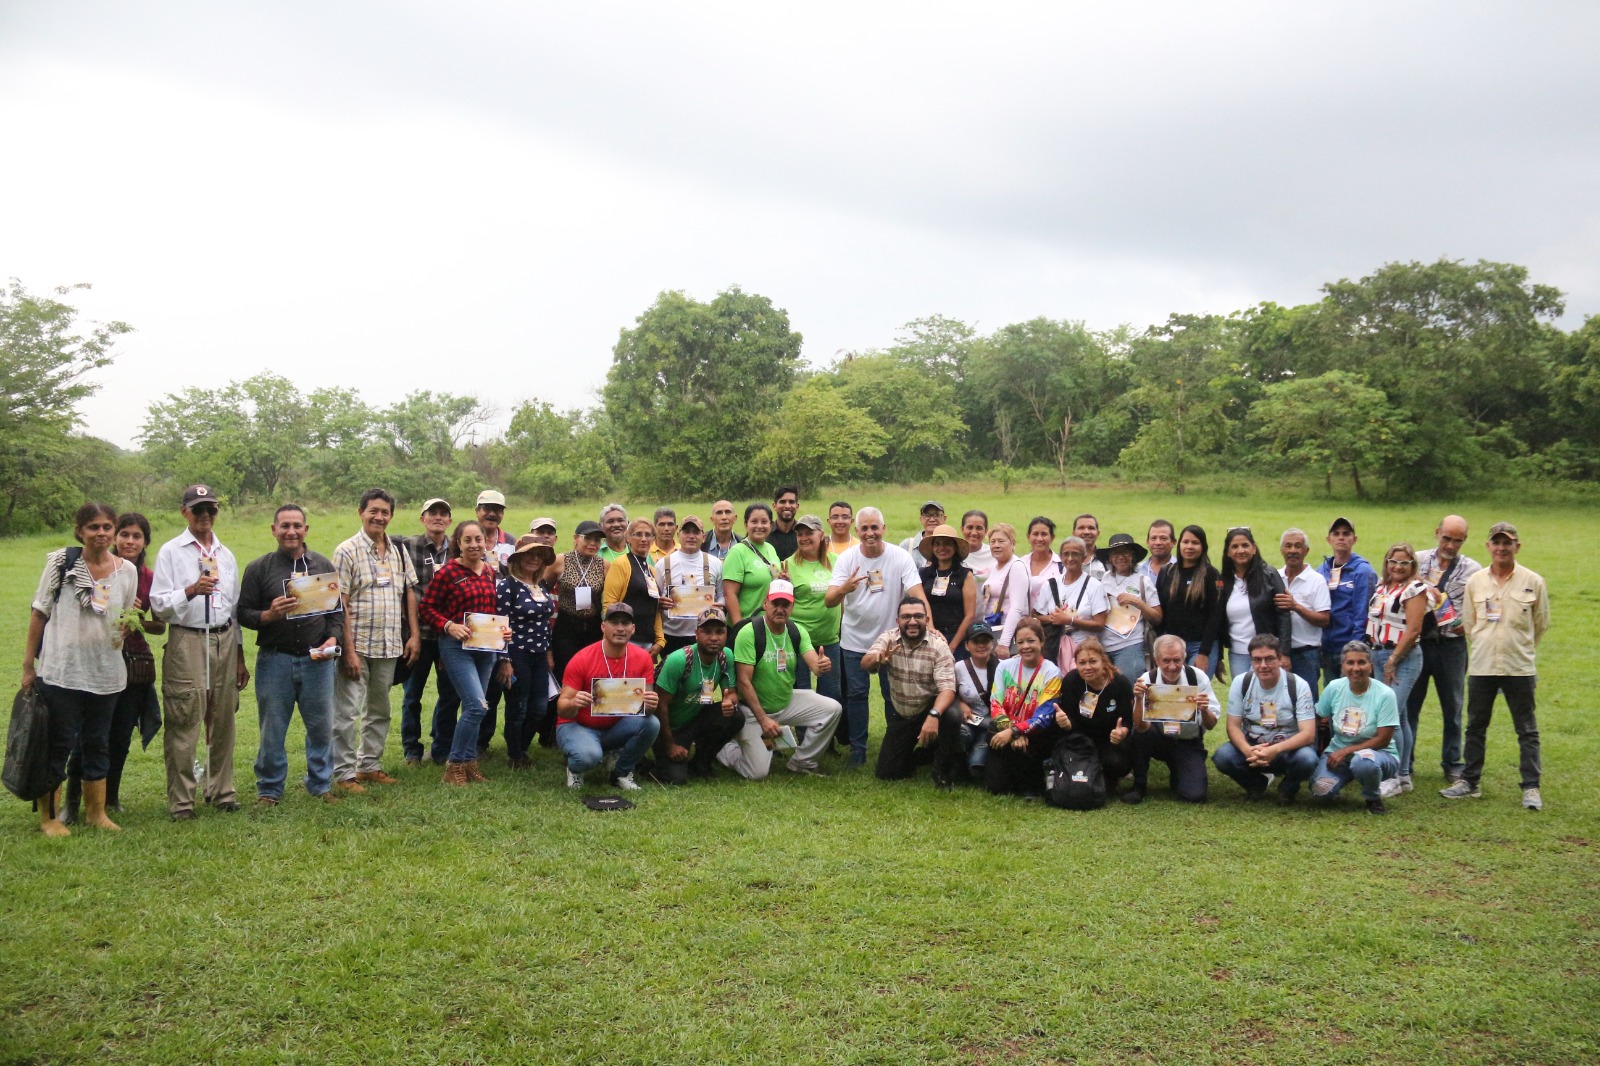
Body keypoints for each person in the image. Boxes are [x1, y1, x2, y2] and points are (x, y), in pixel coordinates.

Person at [21, 502, 139, 836]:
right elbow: (39, 612)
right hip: (62, 672)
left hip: (106, 673)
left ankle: (96, 813)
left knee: (98, 743)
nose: (100, 534)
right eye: (93, 527)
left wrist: (127, 627)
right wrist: (29, 665)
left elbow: (125, 615)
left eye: (106, 527)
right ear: (80, 531)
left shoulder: (125, 571)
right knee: (58, 744)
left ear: (113, 531)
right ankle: (49, 818)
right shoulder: (62, 564)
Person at [150, 484, 250, 820]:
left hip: (223, 637)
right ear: (185, 512)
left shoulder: (225, 554)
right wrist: (191, 590)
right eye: (198, 510)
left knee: (223, 718)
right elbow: (159, 605)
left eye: (211, 509)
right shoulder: (171, 551)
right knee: (185, 717)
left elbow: (233, 610)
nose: (205, 515)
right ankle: (182, 801)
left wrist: (239, 656)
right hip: (187, 639)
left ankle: (222, 791)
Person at [61, 512, 165, 824]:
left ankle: (109, 799)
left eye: (137, 536)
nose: (130, 541)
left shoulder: (146, 577)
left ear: (145, 541)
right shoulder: (95, 569)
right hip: (93, 660)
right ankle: (71, 802)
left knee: (119, 736)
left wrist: (137, 619)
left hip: (133, 664)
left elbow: (159, 627)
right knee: (87, 735)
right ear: (114, 537)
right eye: (125, 534)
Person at [237, 505, 342, 808]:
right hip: (275, 659)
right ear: (274, 530)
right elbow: (243, 612)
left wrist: (333, 638)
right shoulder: (260, 568)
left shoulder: (321, 565)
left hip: (316, 661)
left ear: (306, 529)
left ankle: (320, 784)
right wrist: (268, 615)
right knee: (272, 727)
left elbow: (336, 612)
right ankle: (269, 790)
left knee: (321, 726)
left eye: (297, 525)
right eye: (284, 526)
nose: (291, 531)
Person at [1442, 522, 1550, 810]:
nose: (1502, 548)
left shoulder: (1533, 581)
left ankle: (1531, 787)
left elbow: (1540, 625)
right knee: (1476, 726)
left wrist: (1521, 647)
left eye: (1508, 543)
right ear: (1488, 546)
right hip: (1482, 665)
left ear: (1517, 546)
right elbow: (1470, 621)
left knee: (1527, 729)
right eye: (1496, 542)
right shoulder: (1476, 581)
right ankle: (1469, 781)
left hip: (1519, 667)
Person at [331, 488, 420, 792]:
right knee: (347, 711)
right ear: (361, 512)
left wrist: (414, 635)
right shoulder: (346, 551)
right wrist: (349, 650)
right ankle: (343, 773)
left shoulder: (397, 550)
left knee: (380, 709)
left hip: (389, 643)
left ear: (391, 516)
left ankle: (369, 765)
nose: (379, 517)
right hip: (357, 643)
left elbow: (409, 591)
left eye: (385, 512)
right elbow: (339, 602)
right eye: (373, 511)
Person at [826, 507, 929, 767]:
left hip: (891, 642)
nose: (870, 533)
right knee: (857, 696)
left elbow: (917, 595)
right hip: (854, 641)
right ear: (857, 531)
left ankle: (894, 746)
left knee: (891, 695)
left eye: (875, 527)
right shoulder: (847, 559)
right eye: (864, 528)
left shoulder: (900, 557)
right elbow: (829, 601)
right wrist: (844, 589)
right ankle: (858, 751)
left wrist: (931, 626)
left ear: (884, 529)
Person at [418, 520, 510, 786]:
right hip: (456, 647)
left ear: (485, 542)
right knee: (475, 705)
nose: (474, 545)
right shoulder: (447, 572)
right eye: (467, 540)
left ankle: (469, 763)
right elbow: (427, 608)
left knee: (479, 706)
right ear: (458, 543)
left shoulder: (491, 572)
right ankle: (454, 764)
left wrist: (503, 633)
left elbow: (493, 611)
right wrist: (448, 625)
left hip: (486, 648)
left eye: (478, 539)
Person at [720, 580, 842, 779]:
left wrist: (820, 666)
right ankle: (725, 747)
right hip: (753, 711)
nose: (780, 609)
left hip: (785, 703)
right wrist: (763, 719)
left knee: (832, 709)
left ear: (792, 607)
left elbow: (814, 663)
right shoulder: (749, 632)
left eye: (785, 604)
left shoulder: (796, 631)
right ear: (765, 604)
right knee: (757, 773)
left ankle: (803, 762)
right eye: (775, 603)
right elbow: (743, 682)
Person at [555, 603, 660, 790]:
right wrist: (574, 702)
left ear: (633, 629)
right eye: (614, 622)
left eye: (626, 623)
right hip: (579, 725)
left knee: (651, 723)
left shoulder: (643, 658)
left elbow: (647, 709)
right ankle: (575, 768)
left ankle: (621, 772)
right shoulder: (582, 658)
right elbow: (562, 708)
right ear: (603, 626)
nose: (620, 628)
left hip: (616, 727)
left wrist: (651, 703)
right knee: (589, 757)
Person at [1409, 515, 1481, 785]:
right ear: (1437, 532)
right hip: (1417, 645)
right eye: (1447, 538)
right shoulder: (1416, 560)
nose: (1451, 545)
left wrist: (1464, 625)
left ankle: (1452, 763)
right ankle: (1406, 760)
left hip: (1451, 646)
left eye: (1458, 540)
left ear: (1465, 540)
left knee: (1453, 707)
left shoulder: (1472, 570)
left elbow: (1475, 611)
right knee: (1410, 705)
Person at [862, 595, 960, 789]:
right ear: (898, 621)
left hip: (929, 708)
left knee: (952, 715)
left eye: (918, 616)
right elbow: (865, 662)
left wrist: (933, 715)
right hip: (903, 713)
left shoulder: (939, 647)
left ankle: (942, 770)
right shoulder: (889, 638)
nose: (912, 621)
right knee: (887, 773)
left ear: (927, 620)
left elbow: (948, 689)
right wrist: (878, 659)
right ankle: (926, 753)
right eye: (906, 617)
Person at [1210, 634, 1317, 805]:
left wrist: (1274, 751)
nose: (1263, 665)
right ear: (1251, 661)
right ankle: (1256, 784)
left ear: (1280, 659)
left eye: (1269, 659)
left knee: (1308, 759)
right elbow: (1233, 727)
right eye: (1257, 660)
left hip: (1286, 749)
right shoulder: (1241, 682)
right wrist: (1247, 750)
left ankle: (1288, 788)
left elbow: (1308, 734)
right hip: (1253, 747)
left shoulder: (1298, 684)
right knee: (1223, 756)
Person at [651, 606, 745, 785]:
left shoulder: (726, 656)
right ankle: (651, 763)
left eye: (719, 632)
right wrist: (670, 745)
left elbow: (731, 694)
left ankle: (702, 762)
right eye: (707, 632)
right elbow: (659, 706)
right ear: (696, 634)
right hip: (668, 727)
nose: (714, 638)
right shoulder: (679, 660)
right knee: (676, 779)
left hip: (694, 718)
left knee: (736, 716)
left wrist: (729, 703)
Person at [1126, 634, 1221, 804]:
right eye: (1166, 660)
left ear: (1184, 658)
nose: (1172, 666)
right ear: (1156, 660)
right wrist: (1139, 700)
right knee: (1142, 735)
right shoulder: (1148, 679)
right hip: (1158, 739)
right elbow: (1139, 727)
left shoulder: (1197, 678)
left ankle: (1178, 772)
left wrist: (1204, 710)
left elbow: (1211, 725)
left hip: (1187, 742)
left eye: (1177, 660)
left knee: (1195, 795)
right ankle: (1139, 785)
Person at [1366, 543, 1429, 795]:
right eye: (1394, 561)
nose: (1398, 567)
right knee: (1400, 717)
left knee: (1389, 715)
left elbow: (1413, 629)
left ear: (1412, 565)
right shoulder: (1381, 586)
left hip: (1402, 657)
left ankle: (1395, 775)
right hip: (1377, 653)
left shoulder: (1415, 589)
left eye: (1404, 562)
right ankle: (1404, 776)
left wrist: (1393, 659)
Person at [400, 497, 459, 766]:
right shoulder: (407, 546)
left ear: (449, 521)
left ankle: (442, 747)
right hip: (418, 633)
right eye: (432, 513)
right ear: (422, 518)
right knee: (412, 694)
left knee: (449, 694)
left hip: (448, 634)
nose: (437, 517)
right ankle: (412, 749)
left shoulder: (457, 551)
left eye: (443, 514)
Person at [1311, 641, 1401, 815]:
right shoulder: (1334, 688)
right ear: (1343, 666)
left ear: (1371, 666)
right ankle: (1344, 777)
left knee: (1363, 762)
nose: (1356, 668)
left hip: (1379, 754)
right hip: (1337, 753)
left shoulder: (1385, 694)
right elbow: (1316, 716)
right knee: (1321, 791)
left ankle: (1372, 797)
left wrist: (1346, 751)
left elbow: (1383, 739)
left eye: (1361, 662)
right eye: (1350, 663)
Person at [1198, 527, 1291, 680]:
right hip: (1238, 654)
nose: (1240, 550)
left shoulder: (1270, 575)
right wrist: (1219, 656)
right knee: (1244, 696)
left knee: (1266, 697)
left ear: (1254, 548)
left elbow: (1284, 616)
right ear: (1228, 552)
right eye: (1234, 546)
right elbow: (1218, 621)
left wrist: (1284, 653)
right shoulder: (1223, 581)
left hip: (1266, 652)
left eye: (1245, 545)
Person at [983, 618, 1062, 797]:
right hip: (1005, 731)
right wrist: (1011, 732)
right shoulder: (1004, 667)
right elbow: (996, 703)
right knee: (996, 788)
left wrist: (1016, 732)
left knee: (1026, 783)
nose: (1026, 646)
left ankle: (1032, 782)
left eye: (1031, 641)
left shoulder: (1052, 673)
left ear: (1042, 642)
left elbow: (1044, 716)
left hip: (1035, 736)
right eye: (1020, 642)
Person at [496, 535, 555, 770]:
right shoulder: (507, 586)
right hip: (517, 654)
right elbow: (500, 625)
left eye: (538, 555)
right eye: (529, 554)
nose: (534, 559)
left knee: (540, 707)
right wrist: (504, 660)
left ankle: (522, 747)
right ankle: (515, 754)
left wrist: (549, 652)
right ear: (517, 559)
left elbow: (545, 622)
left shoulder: (541, 586)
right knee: (518, 707)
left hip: (540, 655)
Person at [1047, 637, 1135, 794]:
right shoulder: (1072, 681)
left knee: (1117, 763)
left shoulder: (1120, 684)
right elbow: (1069, 717)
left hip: (1109, 739)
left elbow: (1128, 720)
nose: (1087, 667)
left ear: (1103, 661)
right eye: (1082, 663)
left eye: (1093, 661)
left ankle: (1108, 777)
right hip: (1080, 737)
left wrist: (1122, 733)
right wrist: (1066, 724)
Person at [786, 515, 842, 703]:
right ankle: (803, 734)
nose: (804, 538)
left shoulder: (837, 561)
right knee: (802, 695)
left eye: (809, 533)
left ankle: (825, 733)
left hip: (829, 640)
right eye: (800, 534)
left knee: (831, 695)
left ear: (821, 534)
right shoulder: (788, 564)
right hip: (799, 642)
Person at [1031, 536, 1109, 671]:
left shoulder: (1094, 586)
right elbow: (1036, 615)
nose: (1070, 558)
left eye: (1075, 554)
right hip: (1053, 647)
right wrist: (1053, 619)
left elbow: (1100, 624)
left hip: (1084, 650)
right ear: (1060, 556)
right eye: (1066, 554)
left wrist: (1069, 620)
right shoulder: (1051, 585)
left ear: (1084, 557)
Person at [1317, 517, 1377, 690]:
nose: (1341, 538)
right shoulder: (1322, 571)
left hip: (1351, 648)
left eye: (1346, 534)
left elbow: (1363, 613)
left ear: (1354, 539)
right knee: (1333, 697)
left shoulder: (1363, 571)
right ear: (1329, 539)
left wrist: (1354, 650)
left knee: (1353, 698)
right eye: (1336, 534)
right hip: (1328, 648)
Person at [551, 520, 608, 696]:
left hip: (593, 626)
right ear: (576, 538)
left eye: (597, 540)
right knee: (565, 672)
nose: (593, 544)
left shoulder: (604, 565)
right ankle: (561, 716)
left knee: (592, 673)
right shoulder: (561, 561)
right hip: (566, 625)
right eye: (588, 538)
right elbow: (542, 590)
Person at [655, 515, 724, 656]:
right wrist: (660, 602)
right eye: (686, 532)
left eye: (696, 532)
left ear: (703, 537)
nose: (691, 536)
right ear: (678, 535)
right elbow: (655, 597)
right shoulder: (663, 564)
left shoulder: (715, 563)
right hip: (671, 635)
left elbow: (723, 595)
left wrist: (719, 605)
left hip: (704, 634)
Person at [1275, 527, 1331, 697]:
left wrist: (1296, 606)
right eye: (1288, 546)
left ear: (1306, 551)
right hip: (1276, 653)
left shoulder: (1316, 581)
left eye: (1298, 546)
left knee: (1306, 701)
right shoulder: (1274, 577)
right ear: (1282, 550)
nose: (1293, 550)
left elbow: (1324, 619)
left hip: (1306, 654)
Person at [1156, 525, 1221, 671]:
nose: (1189, 547)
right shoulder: (1167, 572)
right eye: (1186, 542)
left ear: (1203, 547)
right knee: (1173, 690)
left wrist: (1204, 653)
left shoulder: (1212, 575)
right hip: (1172, 646)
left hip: (1200, 646)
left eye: (1195, 543)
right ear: (1179, 545)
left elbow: (1216, 616)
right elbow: (1161, 612)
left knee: (1194, 689)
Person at [1097, 533, 1162, 678]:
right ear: (1110, 557)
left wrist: (1137, 602)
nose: (1121, 557)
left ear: (1132, 556)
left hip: (1130, 645)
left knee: (1127, 691)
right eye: (1116, 553)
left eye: (1125, 553)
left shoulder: (1142, 581)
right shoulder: (1104, 579)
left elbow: (1157, 617)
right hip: (1103, 645)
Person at [602, 518, 666, 657]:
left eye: (648, 535)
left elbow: (655, 607)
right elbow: (609, 604)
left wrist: (660, 640)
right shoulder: (621, 564)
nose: (643, 539)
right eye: (638, 534)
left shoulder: (652, 571)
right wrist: (614, 636)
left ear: (654, 539)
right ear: (628, 538)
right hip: (625, 639)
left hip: (648, 641)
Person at [918, 524, 976, 658]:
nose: (942, 548)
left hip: (957, 637)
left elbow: (970, 615)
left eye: (947, 544)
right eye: (937, 544)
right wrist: (931, 632)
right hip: (929, 635)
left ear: (955, 547)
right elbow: (920, 604)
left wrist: (952, 646)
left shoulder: (965, 575)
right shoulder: (924, 574)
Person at [721, 503, 782, 624]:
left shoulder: (770, 549)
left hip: (769, 624)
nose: (759, 526)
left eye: (764, 522)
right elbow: (729, 594)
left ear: (771, 525)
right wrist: (739, 626)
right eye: (754, 522)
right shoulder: (737, 552)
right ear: (746, 524)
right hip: (747, 625)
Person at [953, 622, 998, 778]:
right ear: (967, 645)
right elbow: (949, 693)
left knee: (976, 767)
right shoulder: (959, 667)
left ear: (992, 644)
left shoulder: (1002, 667)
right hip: (968, 722)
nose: (981, 645)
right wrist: (961, 704)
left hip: (991, 725)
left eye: (985, 641)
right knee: (960, 735)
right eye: (976, 641)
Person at [981, 523, 1030, 659]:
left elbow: (1017, 608)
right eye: (992, 542)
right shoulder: (992, 568)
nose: (996, 545)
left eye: (1001, 541)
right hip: (992, 631)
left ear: (1012, 543)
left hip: (1009, 635)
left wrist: (1004, 642)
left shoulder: (1016, 567)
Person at [1022, 517, 1064, 605]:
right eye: (1035, 534)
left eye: (1044, 534)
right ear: (1028, 536)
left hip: (1051, 617)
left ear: (1052, 537)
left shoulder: (1062, 565)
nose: (1040, 539)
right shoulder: (1020, 563)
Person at [961, 510, 995, 589]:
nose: (974, 533)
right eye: (969, 527)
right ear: (962, 529)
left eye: (979, 528)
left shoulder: (994, 553)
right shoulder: (953, 554)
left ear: (986, 531)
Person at [768, 485, 801, 560]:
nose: (787, 506)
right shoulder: (765, 534)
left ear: (797, 506)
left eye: (791, 502)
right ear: (774, 506)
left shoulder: (803, 534)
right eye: (782, 502)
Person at [1076, 514, 1108, 580]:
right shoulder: (1063, 561)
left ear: (1098, 533)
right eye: (1081, 528)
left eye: (1091, 528)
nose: (1086, 532)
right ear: (1074, 533)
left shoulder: (1107, 560)